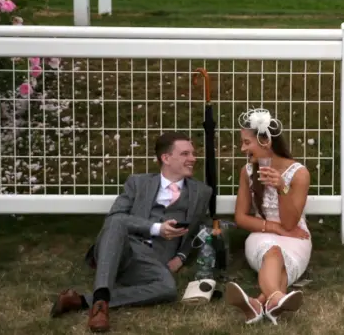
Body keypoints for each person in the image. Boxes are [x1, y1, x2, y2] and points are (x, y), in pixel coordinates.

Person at [49, 132, 213, 333]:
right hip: (121, 247)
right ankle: (100, 307)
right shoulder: (137, 183)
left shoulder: (201, 192)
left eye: (193, 154)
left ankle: (81, 301)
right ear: (166, 158)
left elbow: (200, 228)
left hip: (153, 259)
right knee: (116, 222)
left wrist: (181, 256)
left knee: (168, 288)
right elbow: (115, 217)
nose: (193, 159)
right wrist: (156, 228)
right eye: (185, 154)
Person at [225, 108, 312, 325]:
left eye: (247, 142)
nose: (242, 148)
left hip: (296, 236)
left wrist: (282, 187)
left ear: (266, 141)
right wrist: (275, 228)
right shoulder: (247, 172)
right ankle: (276, 298)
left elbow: (291, 223)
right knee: (273, 252)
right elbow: (241, 218)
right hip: (262, 232)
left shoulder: (299, 173)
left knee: (281, 258)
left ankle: (258, 303)